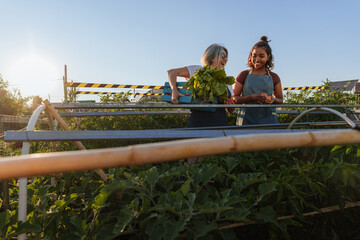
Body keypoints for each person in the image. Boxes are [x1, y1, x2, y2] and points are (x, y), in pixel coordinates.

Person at [167, 43, 233, 128]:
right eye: (223, 56)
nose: (226, 59)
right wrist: (174, 90)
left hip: (220, 126)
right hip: (197, 125)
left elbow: (230, 110)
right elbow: (171, 72)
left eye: (226, 57)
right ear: (212, 58)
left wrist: (230, 104)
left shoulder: (226, 80)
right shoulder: (198, 70)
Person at [232, 36, 283, 125]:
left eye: (261, 56)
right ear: (250, 56)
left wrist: (273, 100)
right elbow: (234, 98)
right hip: (245, 120)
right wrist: (251, 98)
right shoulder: (243, 75)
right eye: (254, 56)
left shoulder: (274, 77)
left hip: (269, 121)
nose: (257, 59)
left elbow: (280, 100)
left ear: (268, 57)